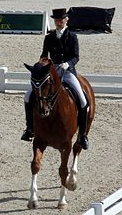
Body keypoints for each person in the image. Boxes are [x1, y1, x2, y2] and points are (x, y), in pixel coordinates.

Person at [21, 8, 89, 150]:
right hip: (51, 71)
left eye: (61, 20)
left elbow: (76, 57)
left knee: (83, 100)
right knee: (28, 96)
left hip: (68, 71)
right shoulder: (49, 37)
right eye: (57, 20)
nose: (59, 22)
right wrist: (41, 63)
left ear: (66, 20)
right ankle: (29, 129)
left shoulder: (72, 37)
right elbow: (44, 54)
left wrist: (68, 64)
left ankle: (82, 135)